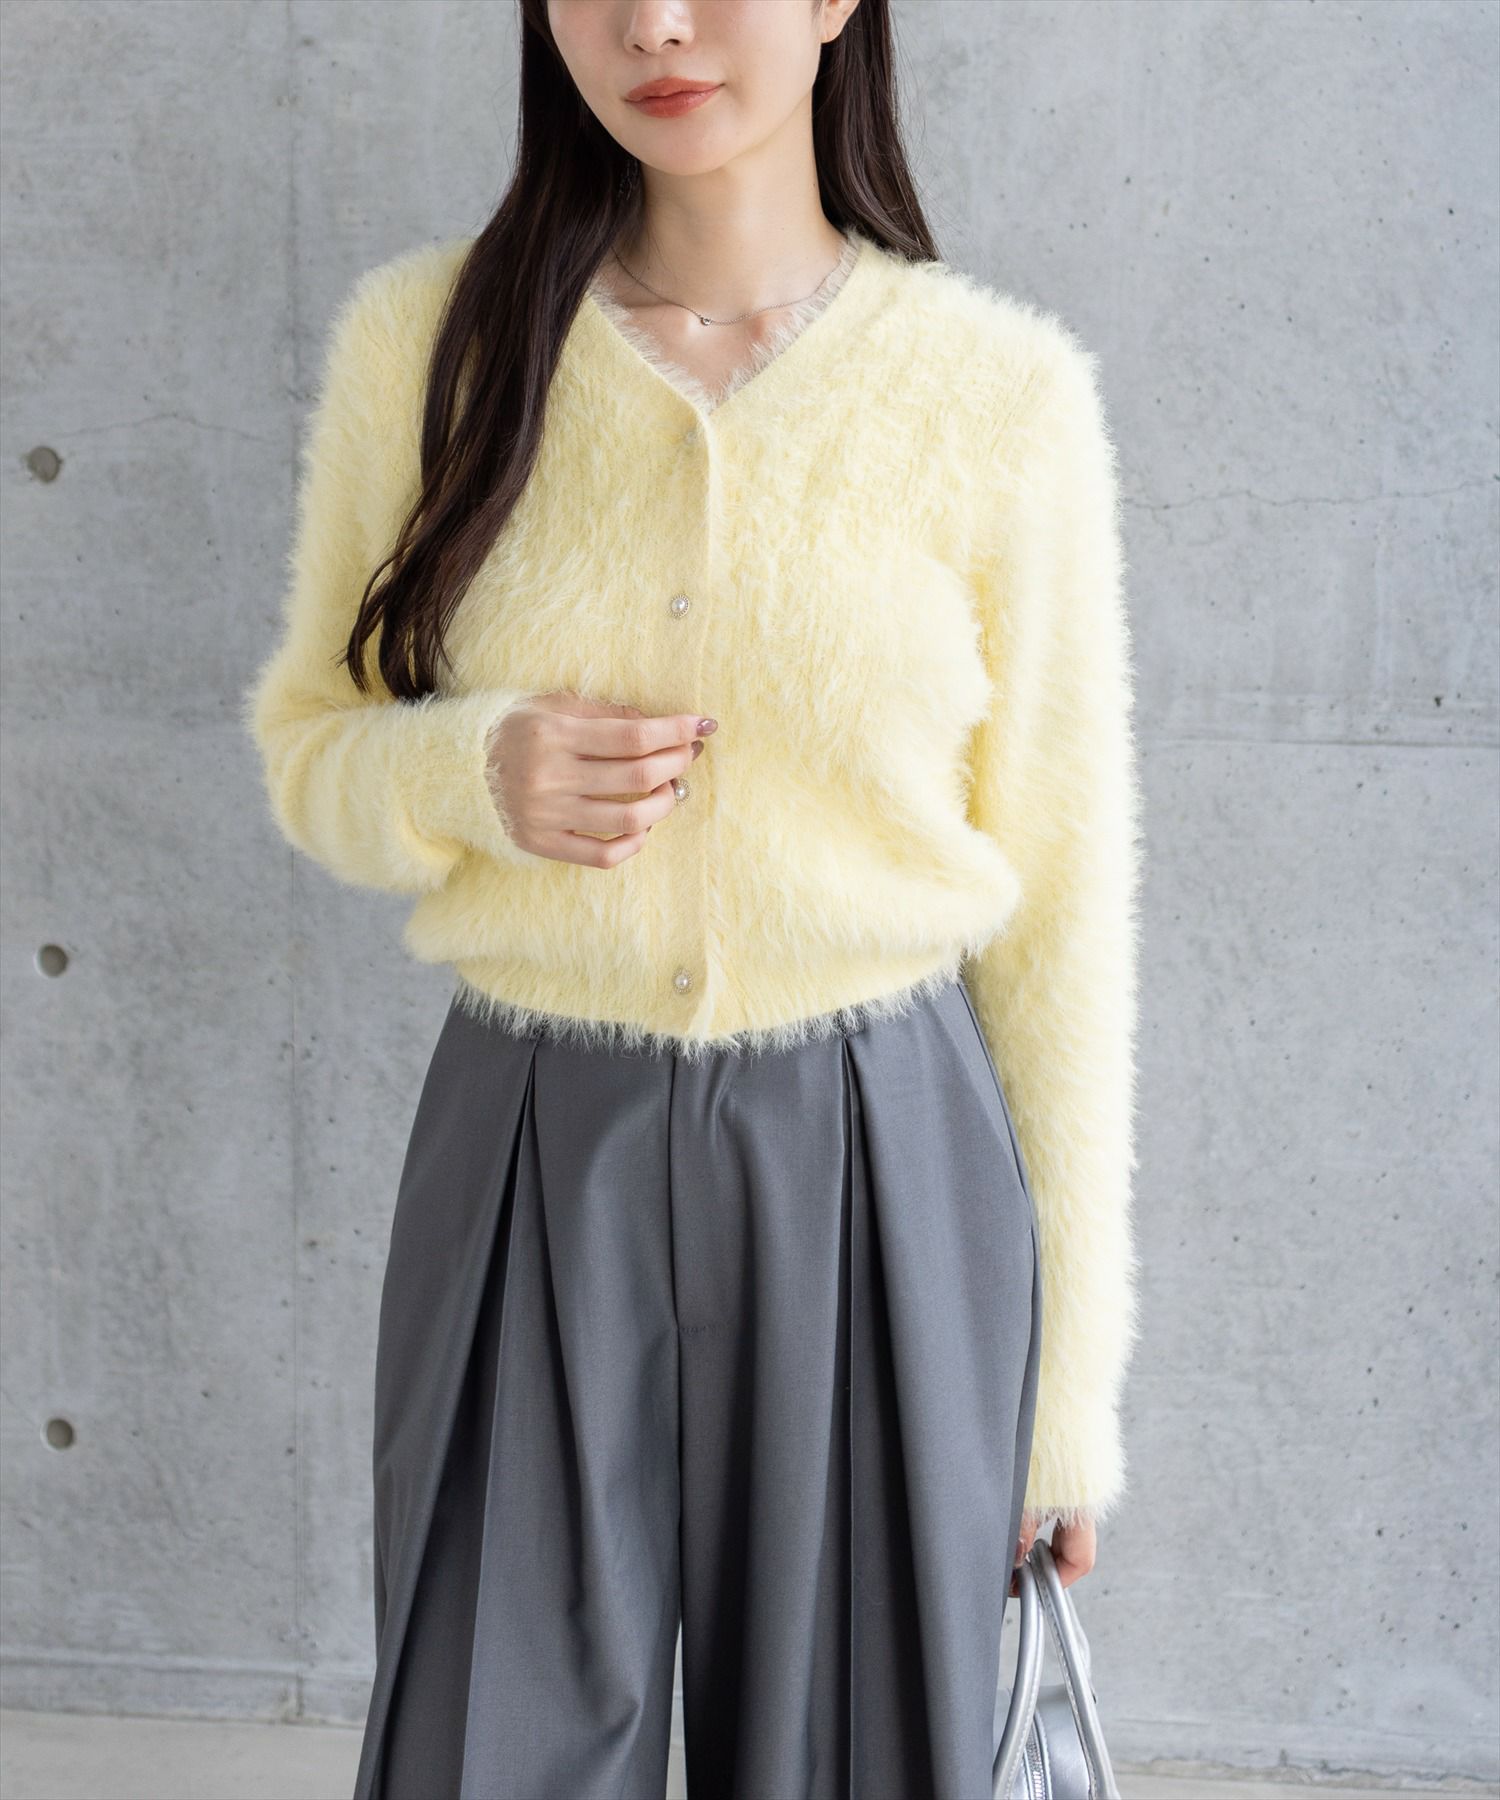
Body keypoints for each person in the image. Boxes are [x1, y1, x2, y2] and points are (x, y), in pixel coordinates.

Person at [241, 1, 1144, 1794]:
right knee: (487, 1740)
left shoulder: (995, 392)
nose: (651, 23)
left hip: (883, 1155)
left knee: (855, 1753)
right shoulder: (427, 347)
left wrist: (1066, 1399)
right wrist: (467, 772)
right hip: (529, 1140)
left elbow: (1063, 907)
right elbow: (308, 747)